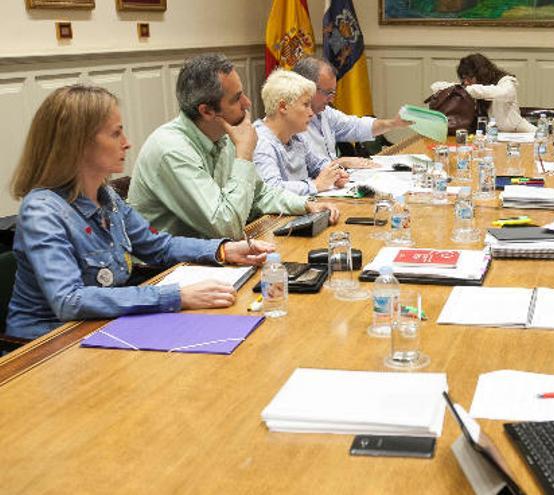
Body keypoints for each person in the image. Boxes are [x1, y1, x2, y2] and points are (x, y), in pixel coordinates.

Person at [5, 85, 273, 339]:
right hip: (46, 347)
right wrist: (176, 296)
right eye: (115, 133)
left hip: (103, 327)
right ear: (78, 144)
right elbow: (69, 301)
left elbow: (159, 246)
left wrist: (224, 250)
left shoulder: (105, 195)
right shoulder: (42, 212)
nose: (127, 142)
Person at [128, 53, 339, 239]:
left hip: (209, 252)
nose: (248, 103)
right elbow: (226, 226)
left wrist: (306, 205)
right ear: (207, 111)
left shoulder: (223, 134)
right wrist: (244, 155)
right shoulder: (172, 150)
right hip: (163, 270)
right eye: (237, 98)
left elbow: (261, 194)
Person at [294, 56, 411, 163]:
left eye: (333, 92)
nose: (331, 100)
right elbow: (304, 170)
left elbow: (355, 126)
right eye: (327, 93)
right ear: (306, 88)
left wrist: (393, 123)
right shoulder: (289, 122)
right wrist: (340, 163)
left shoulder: (325, 112)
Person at [253, 69, 349, 195]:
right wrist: (315, 185)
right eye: (306, 105)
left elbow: (318, 164)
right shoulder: (260, 142)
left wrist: (335, 173)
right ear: (283, 107)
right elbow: (271, 190)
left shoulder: (296, 136)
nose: (311, 113)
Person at [430, 53, 535, 133]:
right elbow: (435, 86)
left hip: (516, 133)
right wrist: (461, 89)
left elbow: (503, 93)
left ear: (481, 74)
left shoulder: (506, 81)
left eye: (469, 78)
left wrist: (469, 90)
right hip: (488, 137)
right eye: (463, 79)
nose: (466, 82)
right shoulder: (471, 88)